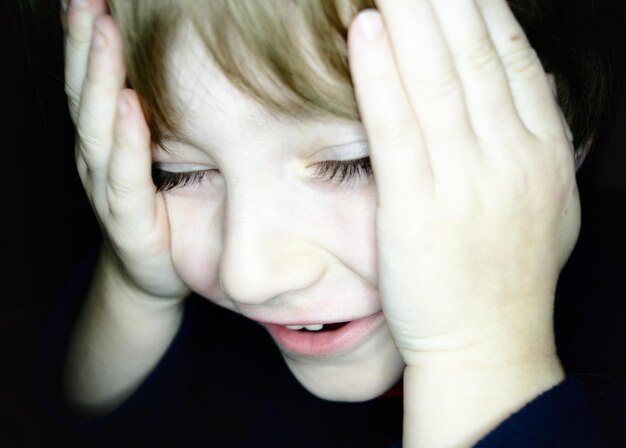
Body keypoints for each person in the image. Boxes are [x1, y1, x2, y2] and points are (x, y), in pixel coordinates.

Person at [35, 0, 625, 446]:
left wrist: (483, 355)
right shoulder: (226, 339)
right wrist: (138, 287)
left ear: (556, 131)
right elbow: (94, 424)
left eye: (354, 163)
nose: (249, 275)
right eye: (176, 172)